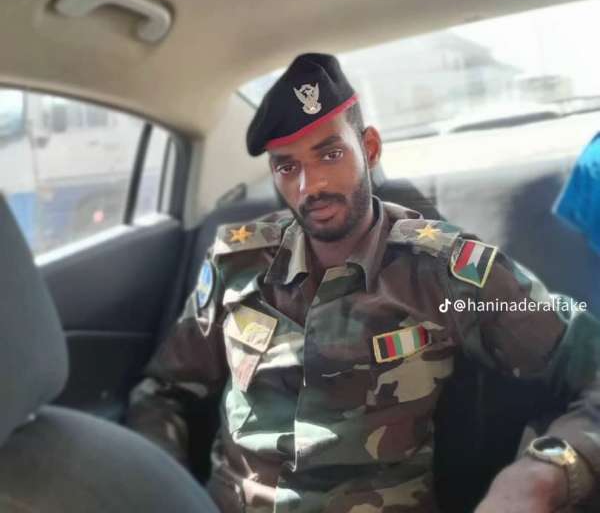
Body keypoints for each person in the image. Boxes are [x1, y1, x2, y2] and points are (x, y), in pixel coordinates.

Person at [127, 53, 600, 512]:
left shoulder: (447, 274)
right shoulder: (237, 264)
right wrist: (164, 492)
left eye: (330, 154)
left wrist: (543, 474)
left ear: (369, 148)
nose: (310, 186)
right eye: (287, 166)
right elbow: (163, 391)